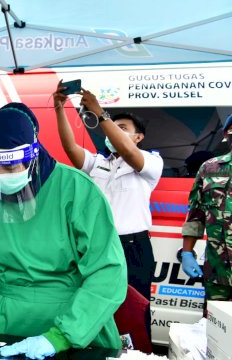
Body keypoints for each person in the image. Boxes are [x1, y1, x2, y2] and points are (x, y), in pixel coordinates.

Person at [0, 104, 127, 359]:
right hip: (9, 322)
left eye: (10, 168)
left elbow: (108, 271)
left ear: (32, 157)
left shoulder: (76, 189)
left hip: (72, 321)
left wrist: (62, 335)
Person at [53, 82, 163, 343]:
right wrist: (59, 107)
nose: (114, 132)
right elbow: (71, 149)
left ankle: (137, 354)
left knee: (135, 311)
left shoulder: (150, 162)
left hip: (132, 247)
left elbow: (126, 150)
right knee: (97, 307)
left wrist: (101, 113)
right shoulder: (99, 163)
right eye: (115, 127)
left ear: (139, 137)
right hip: (99, 247)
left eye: (123, 129)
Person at [181, 114, 232, 311]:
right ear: (226, 133)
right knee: (215, 331)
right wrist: (187, 252)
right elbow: (195, 214)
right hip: (217, 269)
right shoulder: (209, 168)